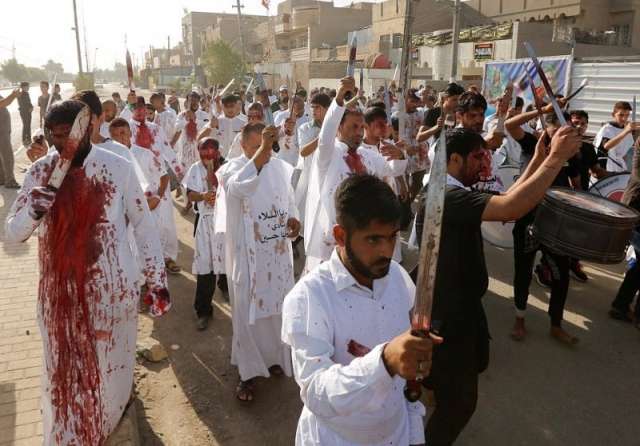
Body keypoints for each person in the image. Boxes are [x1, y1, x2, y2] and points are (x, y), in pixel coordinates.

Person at [5, 99, 170, 444]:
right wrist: (34, 208)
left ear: (86, 128)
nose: (61, 142)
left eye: (69, 133)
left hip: (112, 294)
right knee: (63, 377)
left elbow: (144, 226)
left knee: (112, 374)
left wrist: (156, 281)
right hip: (60, 299)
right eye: (55, 135)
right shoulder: (40, 173)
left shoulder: (117, 167)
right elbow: (13, 234)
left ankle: (106, 427)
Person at [413, 126, 580, 445]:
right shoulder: (447, 196)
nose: (483, 163)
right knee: (460, 404)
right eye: (477, 157)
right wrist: (557, 158)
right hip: (449, 317)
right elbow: (510, 208)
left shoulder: (450, 189)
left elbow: (506, 199)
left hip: (459, 309)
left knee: (458, 379)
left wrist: (540, 159)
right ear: (454, 159)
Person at [282, 174, 438, 446]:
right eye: (373, 240)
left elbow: (405, 381)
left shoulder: (398, 277)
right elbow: (316, 393)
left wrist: (414, 428)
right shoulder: (309, 297)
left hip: (396, 433)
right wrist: (384, 362)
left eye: (392, 237)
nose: (387, 251)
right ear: (340, 236)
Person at [219, 123, 300, 402]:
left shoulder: (278, 168)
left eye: (265, 147)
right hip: (248, 258)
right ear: (243, 146)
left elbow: (288, 198)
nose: (264, 153)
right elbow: (240, 188)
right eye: (255, 147)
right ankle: (248, 373)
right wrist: (262, 152)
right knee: (247, 315)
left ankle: (273, 358)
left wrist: (293, 217)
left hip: (276, 256)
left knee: (277, 310)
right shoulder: (231, 170)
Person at [304, 77, 406, 271]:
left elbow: (393, 169)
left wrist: (400, 155)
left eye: (361, 127)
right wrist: (339, 99)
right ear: (339, 127)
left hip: (363, 238)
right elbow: (325, 136)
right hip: (332, 240)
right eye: (354, 127)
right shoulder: (328, 154)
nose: (359, 132)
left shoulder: (367, 156)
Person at [505, 105, 583, 345]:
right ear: (546, 128)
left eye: (564, 129)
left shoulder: (571, 153)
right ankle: (519, 319)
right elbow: (510, 125)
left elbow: (577, 186)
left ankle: (556, 325)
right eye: (555, 128)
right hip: (527, 221)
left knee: (561, 276)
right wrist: (543, 109)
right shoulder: (533, 144)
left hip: (556, 225)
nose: (560, 134)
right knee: (523, 272)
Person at [129, 96, 183, 274]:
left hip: (160, 179)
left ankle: (168, 257)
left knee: (166, 221)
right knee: (141, 223)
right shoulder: (127, 128)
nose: (140, 111)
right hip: (137, 181)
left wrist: (180, 172)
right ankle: (144, 266)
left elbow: (167, 149)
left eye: (142, 107)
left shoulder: (156, 129)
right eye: (135, 107)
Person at [183, 138, 224, 330]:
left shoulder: (226, 167)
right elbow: (190, 194)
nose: (207, 155)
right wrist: (203, 196)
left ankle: (226, 289)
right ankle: (203, 310)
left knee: (228, 263)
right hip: (205, 222)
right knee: (206, 267)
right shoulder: (195, 169)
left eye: (211, 151)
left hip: (224, 222)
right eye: (203, 151)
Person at [594, 101, 637, 172]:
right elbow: (606, 146)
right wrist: (625, 132)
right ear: (613, 114)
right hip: (605, 166)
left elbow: (625, 151)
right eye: (621, 115)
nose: (624, 118)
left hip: (619, 165)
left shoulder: (626, 128)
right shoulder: (607, 128)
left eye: (627, 115)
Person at [18, 81, 34, 146]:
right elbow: (21, 104)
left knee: (28, 125)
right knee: (25, 125)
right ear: (23, 87)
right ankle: (24, 139)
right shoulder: (20, 94)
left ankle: (29, 139)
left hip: (28, 112)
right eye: (27, 86)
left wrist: (31, 107)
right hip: (24, 112)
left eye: (28, 86)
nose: (28, 87)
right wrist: (29, 109)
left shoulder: (27, 94)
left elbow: (29, 102)